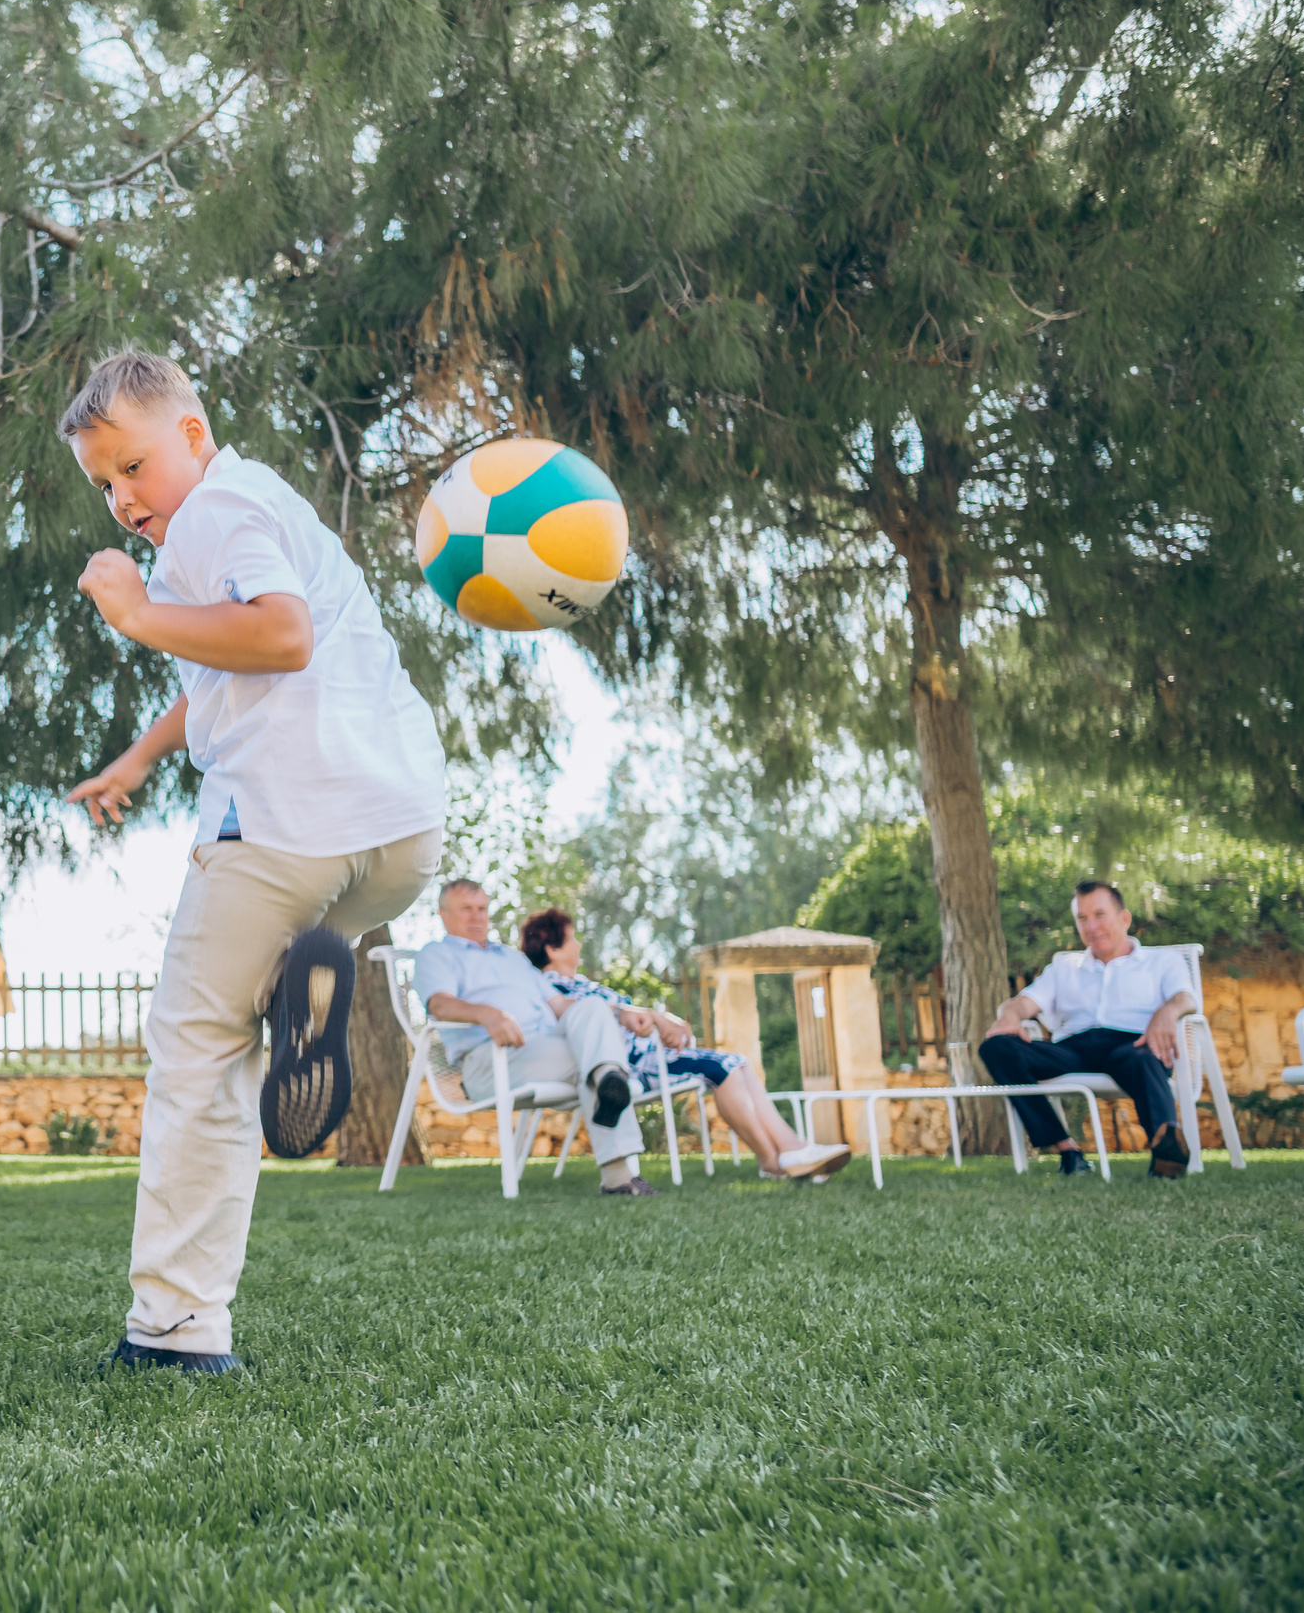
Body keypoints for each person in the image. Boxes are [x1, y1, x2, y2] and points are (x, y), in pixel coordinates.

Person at [62, 350, 446, 1375]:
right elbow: (234, 661)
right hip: (400, 834)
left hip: (283, 822)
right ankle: (295, 986)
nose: (121, 500)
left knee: (194, 1045)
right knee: (267, 977)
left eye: (133, 467)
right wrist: (140, 756)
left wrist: (136, 613)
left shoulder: (213, 515)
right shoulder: (262, 502)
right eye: (103, 484)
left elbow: (277, 637)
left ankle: (176, 1334)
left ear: (193, 434)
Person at [519, 907, 848, 1180]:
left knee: (739, 1064)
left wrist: (669, 1022)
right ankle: (778, 1157)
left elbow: (634, 1015)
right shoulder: (552, 987)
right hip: (635, 1065)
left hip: (653, 1056)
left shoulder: (581, 983)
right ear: (552, 948)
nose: (578, 945)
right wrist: (655, 1018)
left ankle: (786, 1154)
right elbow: (600, 1015)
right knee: (726, 1066)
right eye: (572, 938)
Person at [414, 880, 660, 1194]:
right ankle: (618, 1165)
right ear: (443, 914)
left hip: (547, 1046)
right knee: (594, 1059)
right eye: (466, 909)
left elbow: (558, 1005)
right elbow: (440, 1004)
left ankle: (607, 1076)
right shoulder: (436, 953)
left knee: (594, 1007)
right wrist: (488, 1013)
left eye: (482, 909)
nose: (476, 916)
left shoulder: (512, 958)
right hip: (492, 1057)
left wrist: (619, 1012)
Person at [978, 880, 1199, 1179]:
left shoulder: (1162, 962)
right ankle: (1066, 1148)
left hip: (1132, 1046)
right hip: (1073, 1050)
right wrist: (1009, 1016)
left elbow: (1186, 998)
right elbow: (1020, 1004)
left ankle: (1166, 1153)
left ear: (1124, 918)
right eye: (1082, 919)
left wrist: (1167, 1012)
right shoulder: (1063, 967)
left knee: (1145, 1060)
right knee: (995, 1046)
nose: (1091, 926)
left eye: (1099, 915)